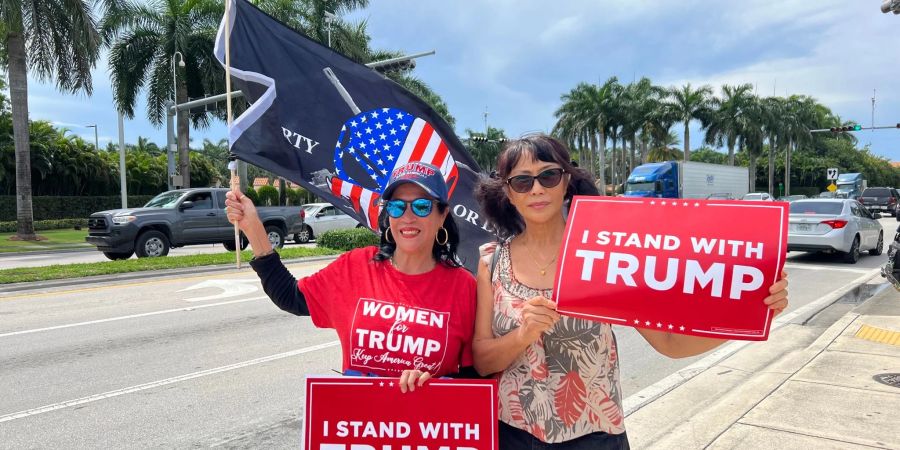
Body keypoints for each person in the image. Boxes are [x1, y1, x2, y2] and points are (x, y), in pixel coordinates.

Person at [472, 135, 789, 449]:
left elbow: (670, 342)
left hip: (595, 437)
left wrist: (752, 316)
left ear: (566, 181)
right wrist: (523, 335)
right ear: (509, 193)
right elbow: (482, 360)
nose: (537, 188)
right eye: (523, 181)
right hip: (512, 435)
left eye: (549, 175)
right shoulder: (492, 260)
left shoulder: (604, 254)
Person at [225, 161, 477, 392]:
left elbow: (476, 376)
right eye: (397, 206)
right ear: (388, 214)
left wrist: (438, 387)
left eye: (422, 206)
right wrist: (253, 227)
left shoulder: (464, 287)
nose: (407, 216)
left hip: (427, 432)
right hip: (360, 431)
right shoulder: (356, 267)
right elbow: (290, 296)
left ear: (442, 215)